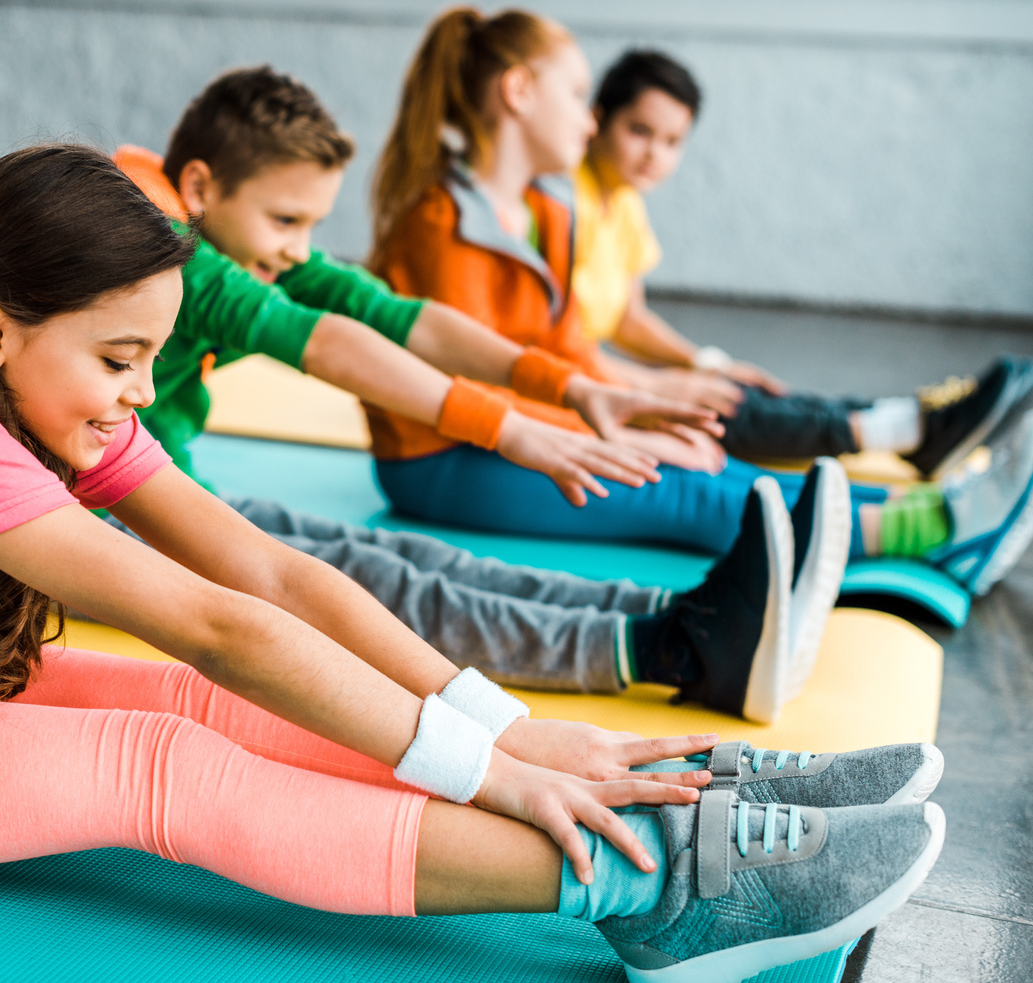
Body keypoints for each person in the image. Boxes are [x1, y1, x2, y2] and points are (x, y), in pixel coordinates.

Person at [0, 146, 945, 983]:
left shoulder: (15, 371)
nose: (136, 392)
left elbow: (266, 575)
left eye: (152, 355)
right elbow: (209, 617)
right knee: (159, 769)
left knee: (196, 708)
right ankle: (652, 881)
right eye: (119, 359)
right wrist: (482, 770)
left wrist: (522, 738)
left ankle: (641, 782)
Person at [110, 66, 850, 717]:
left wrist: (569, 386)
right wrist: (506, 427)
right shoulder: (169, 260)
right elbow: (325, 342)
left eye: (311, 224)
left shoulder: (236, 240)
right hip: (101, 521)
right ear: (203, 188)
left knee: (395, 554)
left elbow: (398, 318)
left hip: (153, 487)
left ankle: (689, 614)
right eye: (285, 220)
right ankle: (670, 650)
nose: (300, 248)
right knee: (368, 582)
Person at [366, 6, 1033, 599]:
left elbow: (565, 349)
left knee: (718, 461)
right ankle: (936, 533)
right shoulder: (440, 226)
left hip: (520, 429)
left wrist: (641, 411)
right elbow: (465, 388)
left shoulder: (545, 210)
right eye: (575, 93)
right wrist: (613, 434)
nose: (588, 114)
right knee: (679, 488)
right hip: (442, 457)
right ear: (518, 92)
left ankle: (938, 509)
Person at [571, 48, 1033, 475]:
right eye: (639, 131)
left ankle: (906, 421)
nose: (655, 154)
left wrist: (707, 363)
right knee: (714, 406)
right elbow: (550, 341)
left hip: (594, 371)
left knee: (738, 388)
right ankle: (906, 430)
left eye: (672, 141)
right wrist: (659, 384)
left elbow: (628, 318)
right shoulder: (567, 200)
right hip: (573, 383)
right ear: (597, 119)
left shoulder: (625, 202)